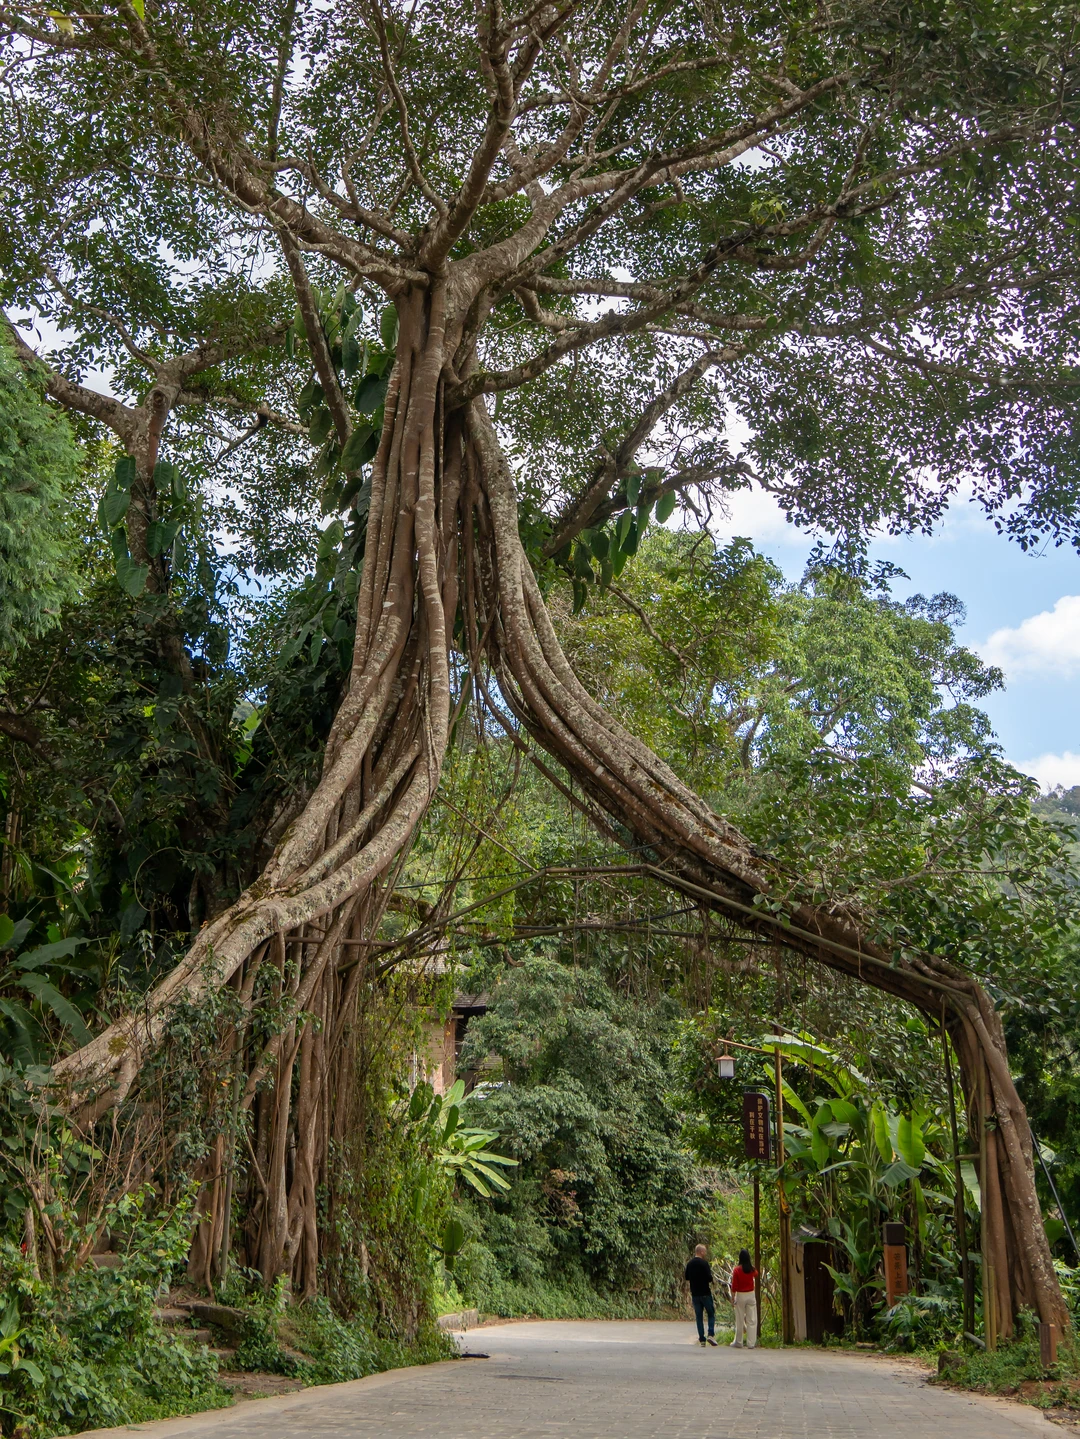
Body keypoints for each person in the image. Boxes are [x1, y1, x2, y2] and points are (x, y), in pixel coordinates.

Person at [683, 1244, 718, 1346]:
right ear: (701, 1252)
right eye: (705, 1251)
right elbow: (709, 1278)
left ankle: (702, 1339)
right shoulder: (704, 1263)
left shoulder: (689, 1264)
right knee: (711, 1313)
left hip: (695, 1294)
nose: (705, 1253)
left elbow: (686, 1277)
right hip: (705, 1293)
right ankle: (710, 1334)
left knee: (699, 1316)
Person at [729, 1247, 758, 1348]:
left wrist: (733, 1297)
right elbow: (756, 1274)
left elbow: (734, 1285)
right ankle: (751, 1343)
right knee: (752, 1320)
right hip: (751, 1295)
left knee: (740, 1319)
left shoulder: (737, 1270)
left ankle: (739, 1342)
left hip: (740, 1295)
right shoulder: (752, 1269)